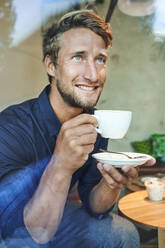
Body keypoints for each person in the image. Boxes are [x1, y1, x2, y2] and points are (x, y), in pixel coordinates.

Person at [0, 9, 155, 248]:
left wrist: (110, 185)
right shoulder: (11, 127)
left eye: (100, 59)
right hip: (18, 229)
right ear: (51, 66)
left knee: (125, 233)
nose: (93, 75)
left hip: (59, 217)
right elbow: (32, 232)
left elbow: (93, 205)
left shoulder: (94, 123)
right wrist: (61, 163)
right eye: (78, 57)